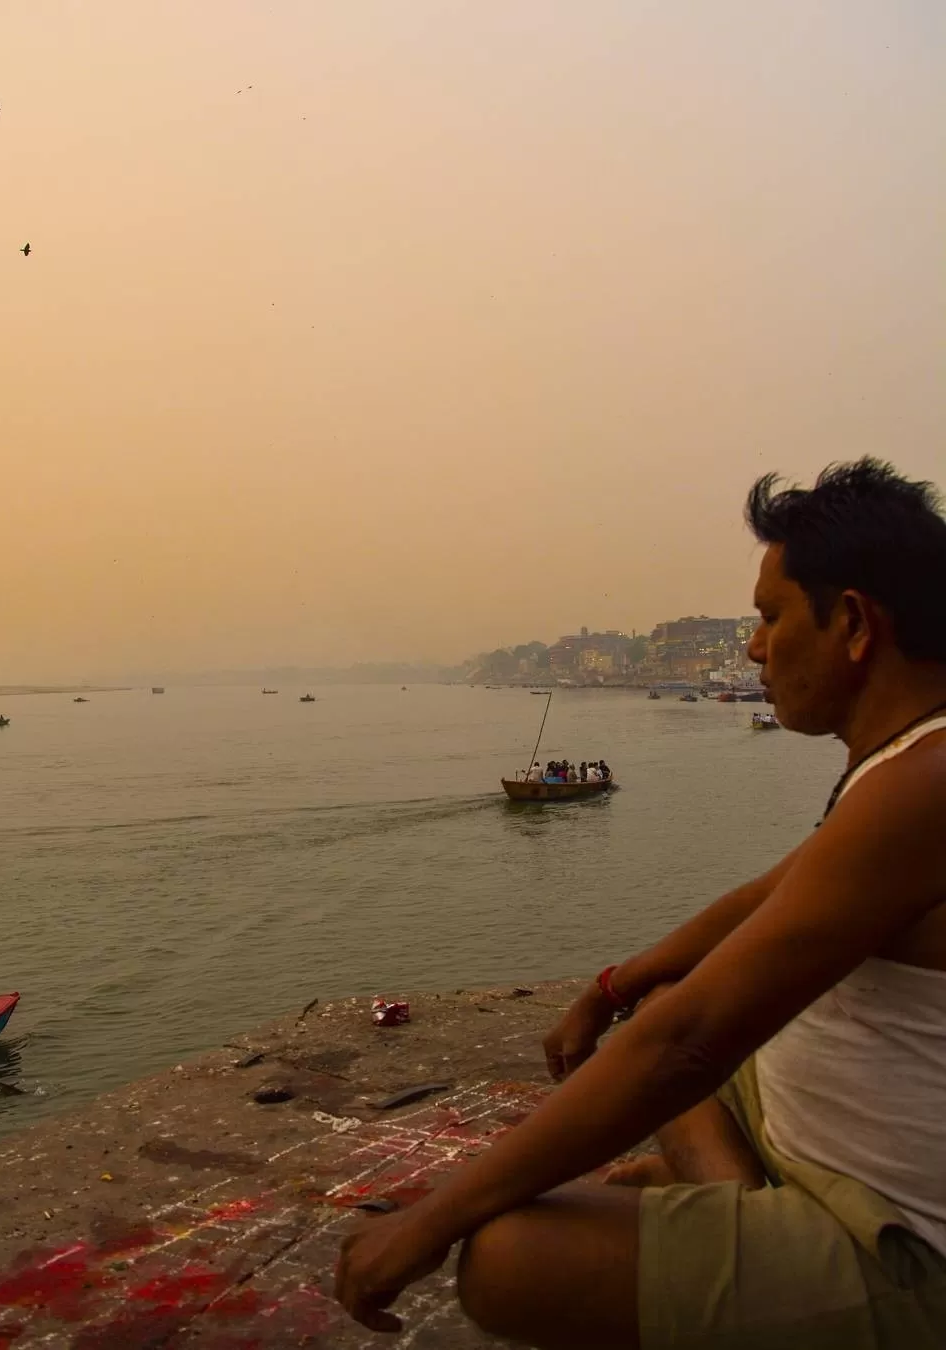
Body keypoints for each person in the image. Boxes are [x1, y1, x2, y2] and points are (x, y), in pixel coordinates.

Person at [336, 459, 946, 1347]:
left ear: (852, 624)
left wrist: (428, 1221)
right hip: (819, 1135)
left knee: (506, 1256)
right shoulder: (903, 764)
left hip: (898, 1245)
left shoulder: (927, 783)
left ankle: (738, 1214)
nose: (752, 649)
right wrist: (615, 985)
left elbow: (688, 1045)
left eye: (771, 618)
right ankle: (733, 1200)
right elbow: (766, 896)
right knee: (659, 1010)